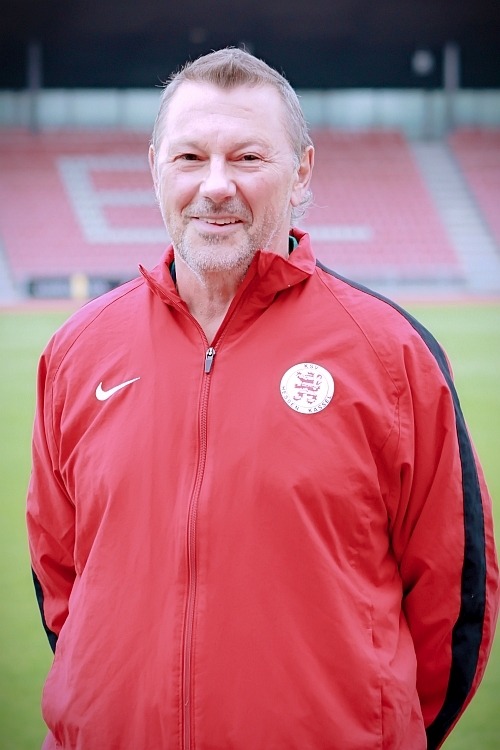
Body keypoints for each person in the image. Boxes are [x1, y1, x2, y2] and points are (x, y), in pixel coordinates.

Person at [27, 48, 498, 750]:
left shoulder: (391, 353)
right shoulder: (77, 350)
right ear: (156, 167)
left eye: (247, 158)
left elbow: (454, 600)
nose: (216, 185)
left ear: (302, 172)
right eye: (190, 158)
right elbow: (59, 579)